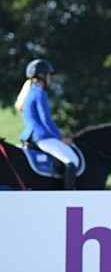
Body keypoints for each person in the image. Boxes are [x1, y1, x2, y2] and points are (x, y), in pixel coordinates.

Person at [15, 59, 81, 189]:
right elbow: (46, 120)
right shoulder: (40, 93)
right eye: (49, 75)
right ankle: (70, 195)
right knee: (72, 161)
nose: (50, 79)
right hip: (41, 137)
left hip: (28, 136)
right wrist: (60, 137)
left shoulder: (28, 92)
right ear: (42, 76)